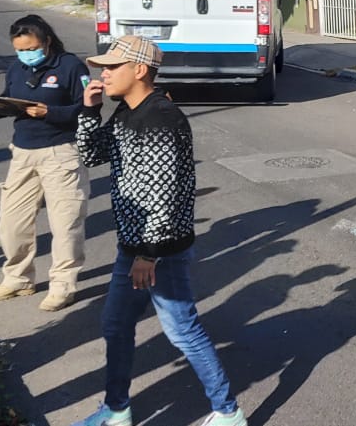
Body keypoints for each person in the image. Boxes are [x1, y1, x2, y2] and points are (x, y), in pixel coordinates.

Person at [71, 35, 245, 426]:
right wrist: (89, 111)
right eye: (103, 67)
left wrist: (148, 254)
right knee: (115, 325)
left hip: (158, 250)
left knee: (182, 330)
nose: (104, 73)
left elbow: (164, 192)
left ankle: (228, 412)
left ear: (139, 70)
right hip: (133, 246)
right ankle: (117, 409)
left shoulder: (161, 118)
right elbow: (92, 154)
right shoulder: (126, 112)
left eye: (112, 67)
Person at [0, 14, 90, 312]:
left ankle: (63, 284)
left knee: (65, 224)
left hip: (61, 152)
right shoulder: (16, 68)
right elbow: (10, 100)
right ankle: (18, 278)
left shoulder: (71, 66)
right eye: (20, 49)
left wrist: (49, 112)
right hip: (22, 154)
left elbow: (87, 109)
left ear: (47, 41)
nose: (26, 54)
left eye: (31, 47)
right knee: (11, 224)